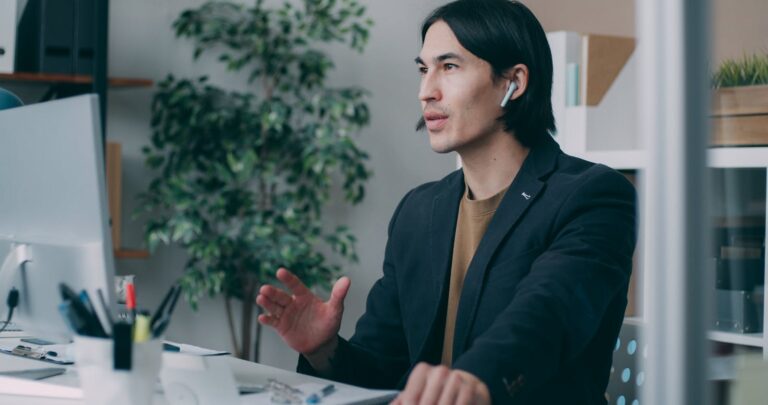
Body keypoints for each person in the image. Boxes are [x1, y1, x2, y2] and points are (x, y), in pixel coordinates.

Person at [255, 0, 637, 403]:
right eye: (423, 69)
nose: (425, 91)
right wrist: (324, 350)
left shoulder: (592, 195)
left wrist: (475, 379)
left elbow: (547, 317)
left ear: (514, 82)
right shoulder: (418, 212)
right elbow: (384, 369)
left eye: (449, 67)